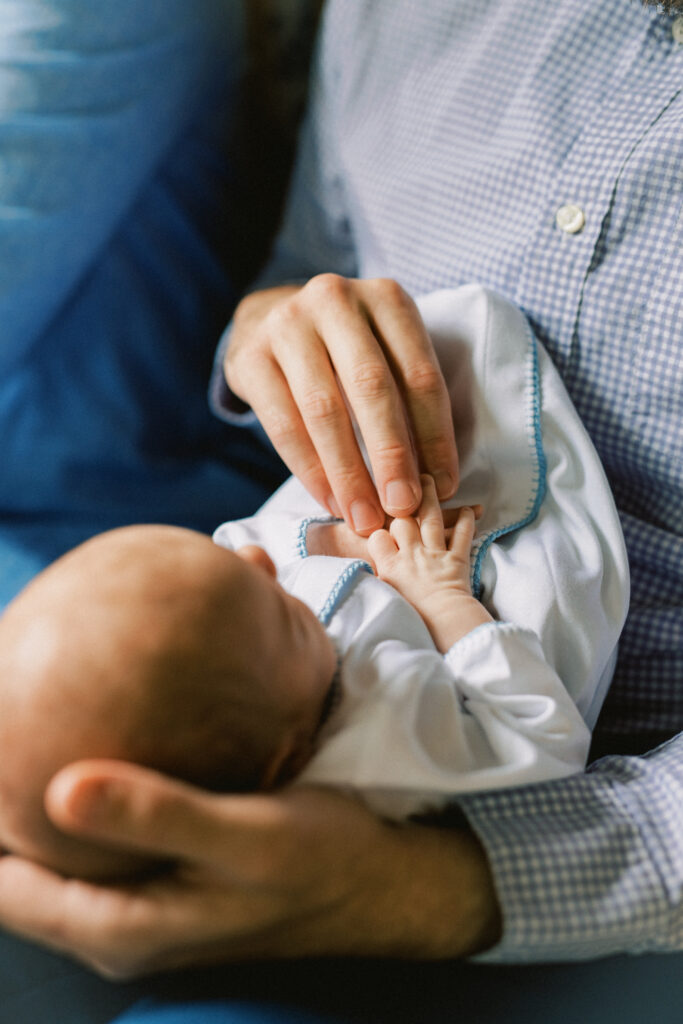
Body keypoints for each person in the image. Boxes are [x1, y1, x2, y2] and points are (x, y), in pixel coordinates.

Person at [0, 2, 681, 1023]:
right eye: (258, 600)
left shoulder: (269, 655)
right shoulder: (377, 729)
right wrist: (268, 327)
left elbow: (267, 557)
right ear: (282, 758)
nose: (262, 568)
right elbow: (522, 725)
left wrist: (404, 887)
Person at [0, 284, 627, 886]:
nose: (258, 564)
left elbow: (253, 542)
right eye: (284, 614)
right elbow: (538, 739)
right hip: (469, 594)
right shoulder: (385, 748)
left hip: (378, 551)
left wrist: (337, 542)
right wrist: (443, 601)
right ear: (289, 760)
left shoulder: (241, 628)